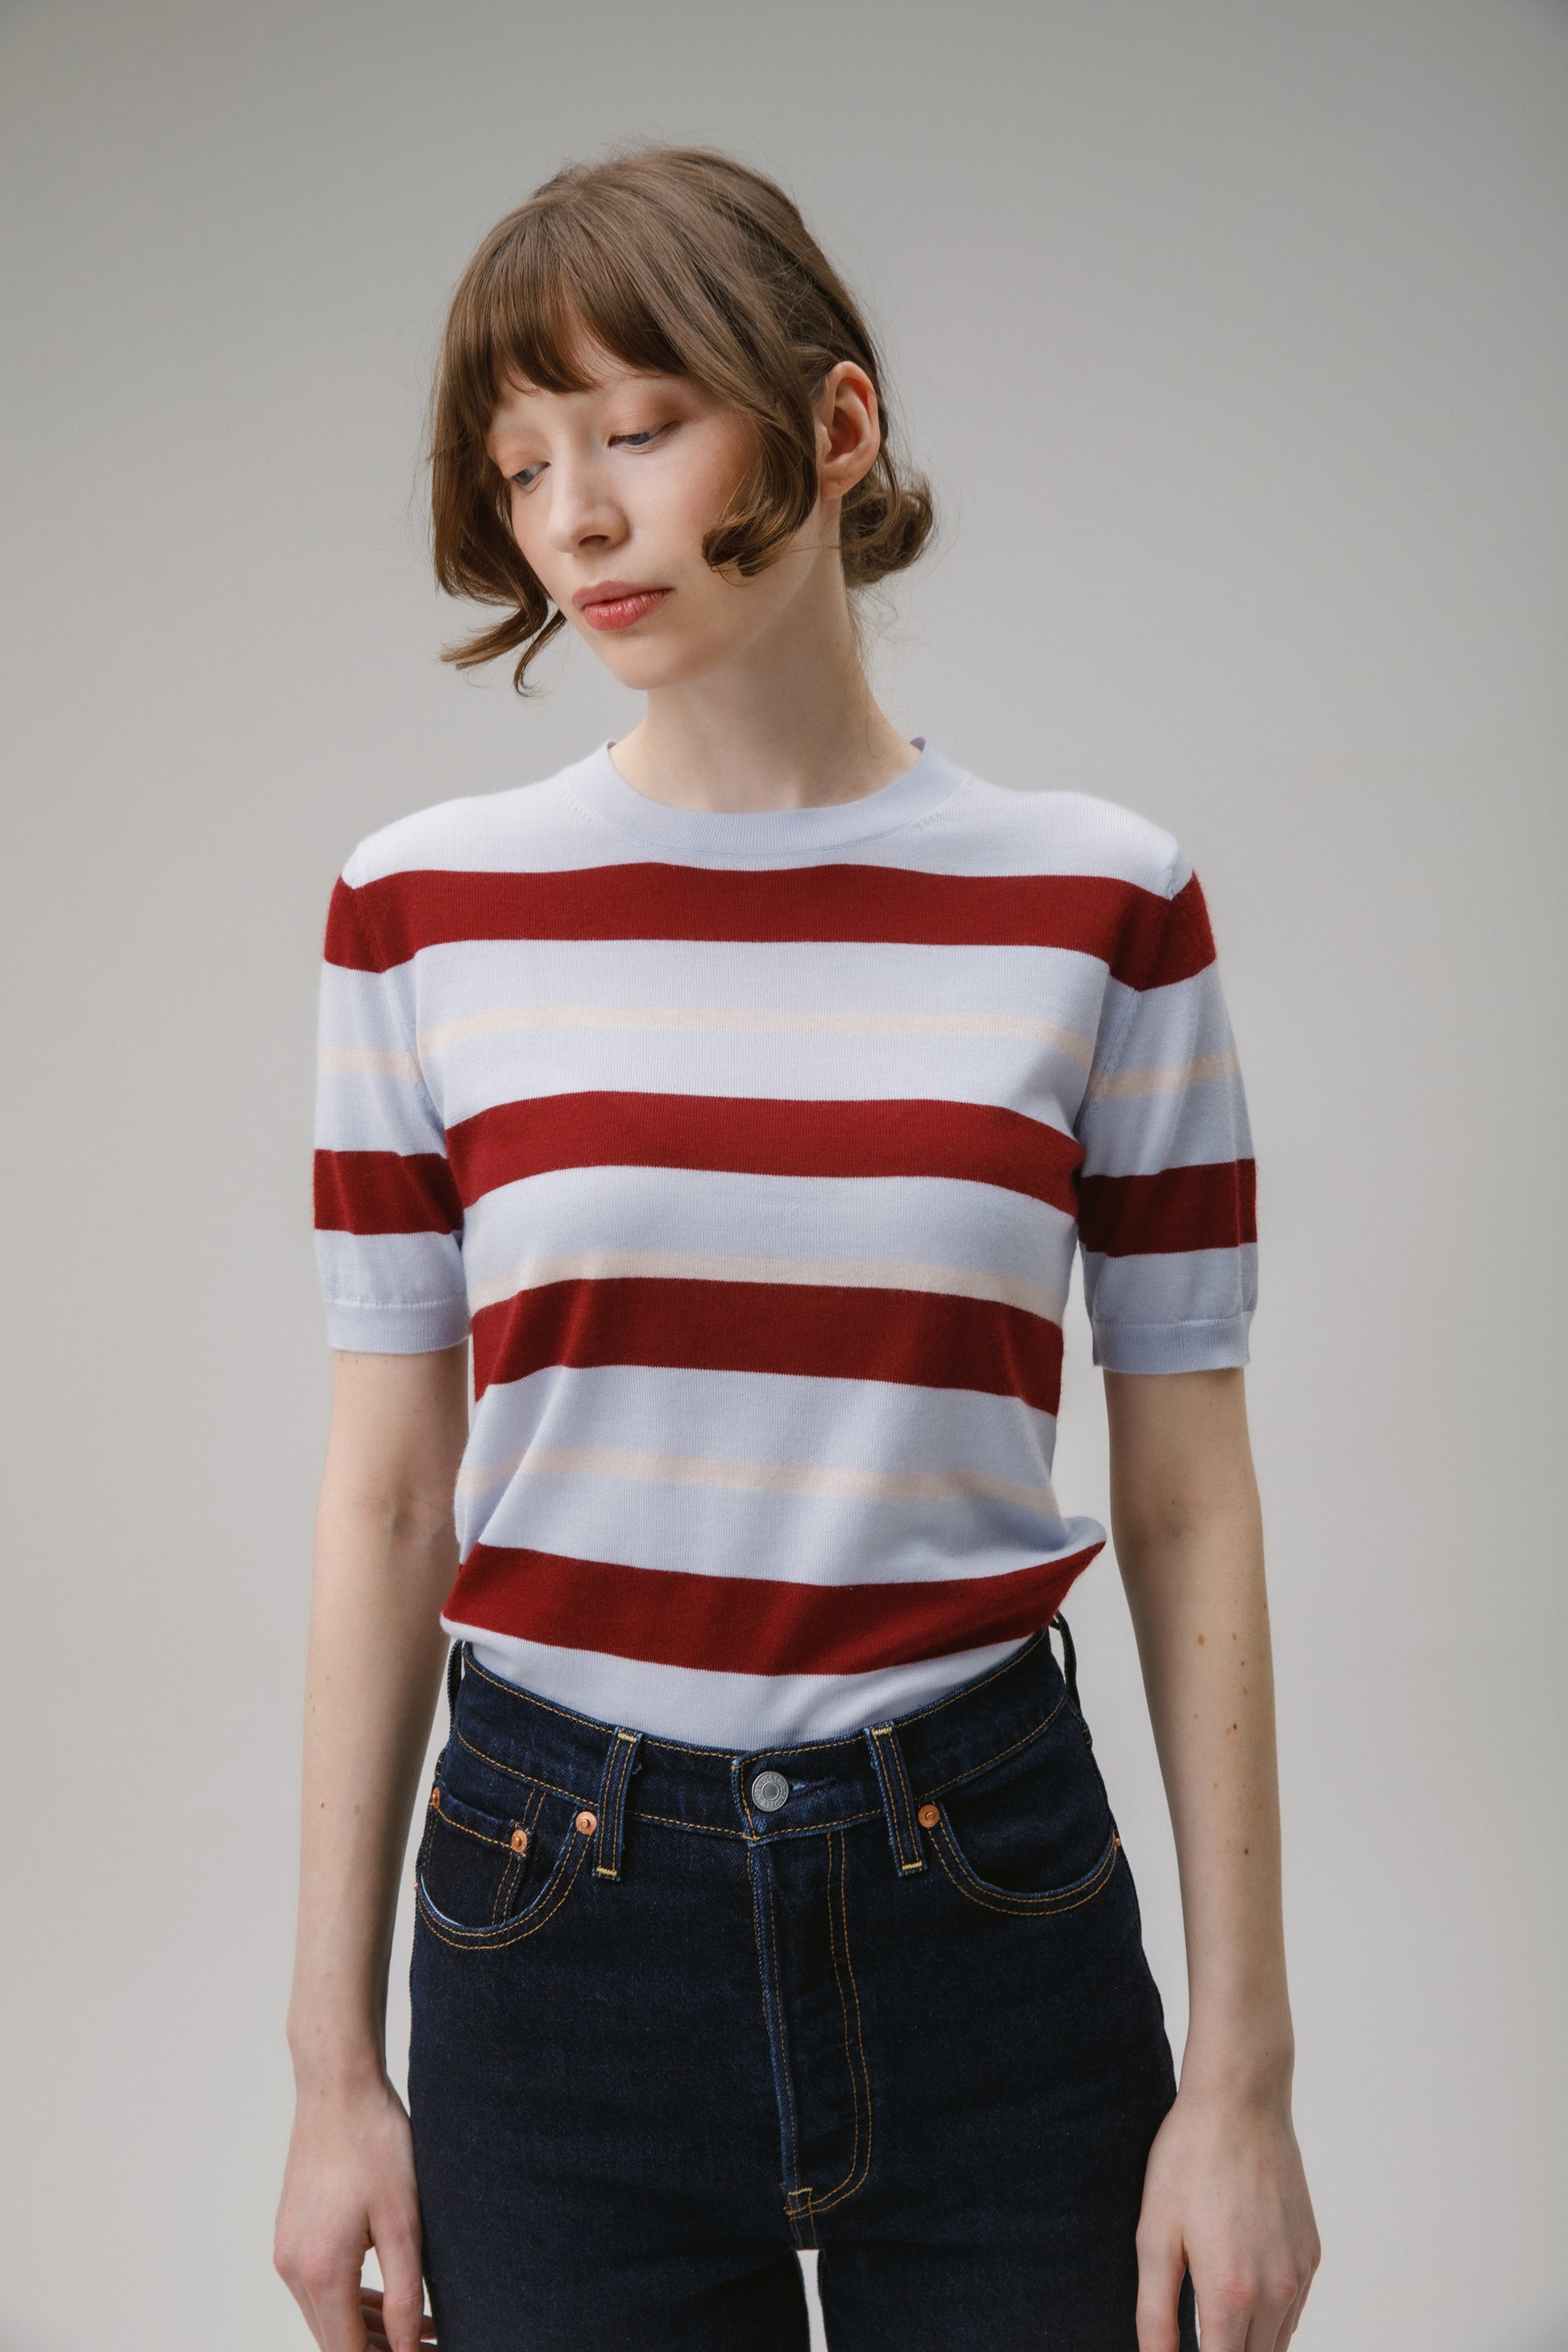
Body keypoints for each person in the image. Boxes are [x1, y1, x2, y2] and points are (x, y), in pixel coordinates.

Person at [273, 144, 1320, 2352]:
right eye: (521, 463)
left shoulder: (1102, 906)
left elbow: (1186, 1498)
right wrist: (326, 2072)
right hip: (550, 1915)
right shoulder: (418, 913)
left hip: (987, 1896)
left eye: (639, 429)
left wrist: (1244, 2081)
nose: (576, 516)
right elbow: (386, 1496)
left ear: (833, 426)